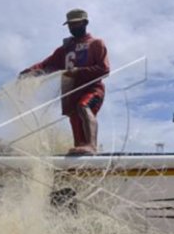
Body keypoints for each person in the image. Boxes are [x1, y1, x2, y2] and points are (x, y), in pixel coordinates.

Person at [19, 8, 110, 155]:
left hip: (92, 89)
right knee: (76, 126)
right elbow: (46, 65)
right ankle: (82, 157)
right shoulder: (65, 49)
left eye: (76, 24)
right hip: (70, 93)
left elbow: (104, 69)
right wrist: (30, 72)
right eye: (70, 25)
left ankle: (92, 145)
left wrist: (78, 71)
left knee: (83, 106)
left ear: (85, 23)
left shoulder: (96, 44)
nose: (72, 28)